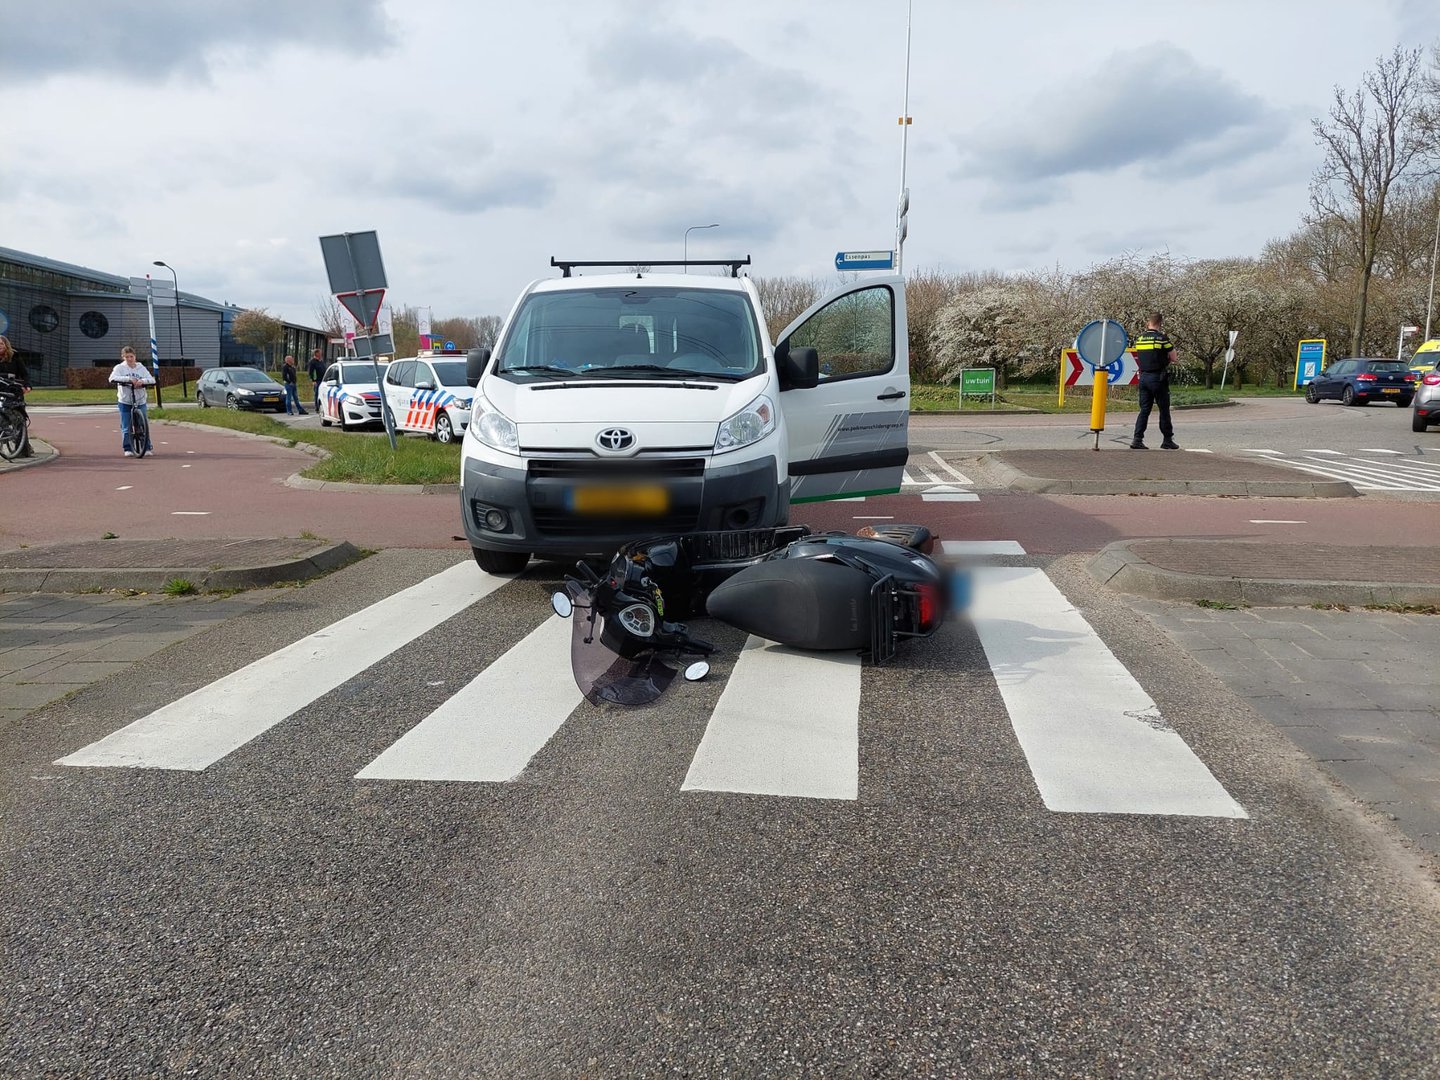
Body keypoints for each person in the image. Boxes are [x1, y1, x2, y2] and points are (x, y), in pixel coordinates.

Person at [1130, 312, 1179, 450]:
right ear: (1160, 323)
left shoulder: (1139, 339)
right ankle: (1167, 440)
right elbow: (1174, 357)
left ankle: (1137, 439)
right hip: (1158, 378)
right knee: (1164, 410)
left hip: (1143, 377)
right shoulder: (1161, 338)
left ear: (1148, 323)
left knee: (1144, 410)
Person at [108, 346, 156, 457]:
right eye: (127, 357)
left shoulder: (141, 368)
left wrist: (142, 381)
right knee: (126, 426)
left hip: (140, 399)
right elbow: (112, 378)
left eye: (131, 356)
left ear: (135, 356)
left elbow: (152, 379)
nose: (130, 359)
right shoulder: (120, 368)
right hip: (125, 400)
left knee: (143, 424)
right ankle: (128, 448)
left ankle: (147, 447)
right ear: (123, 357)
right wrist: (128, 380)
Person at [0, 334, 34, 457]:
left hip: (13, 389)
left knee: (18, 418)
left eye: (1, 344)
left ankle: (24, 449)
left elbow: (24, 374)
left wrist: (27, 386)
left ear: (6, 345)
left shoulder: (14, 357)